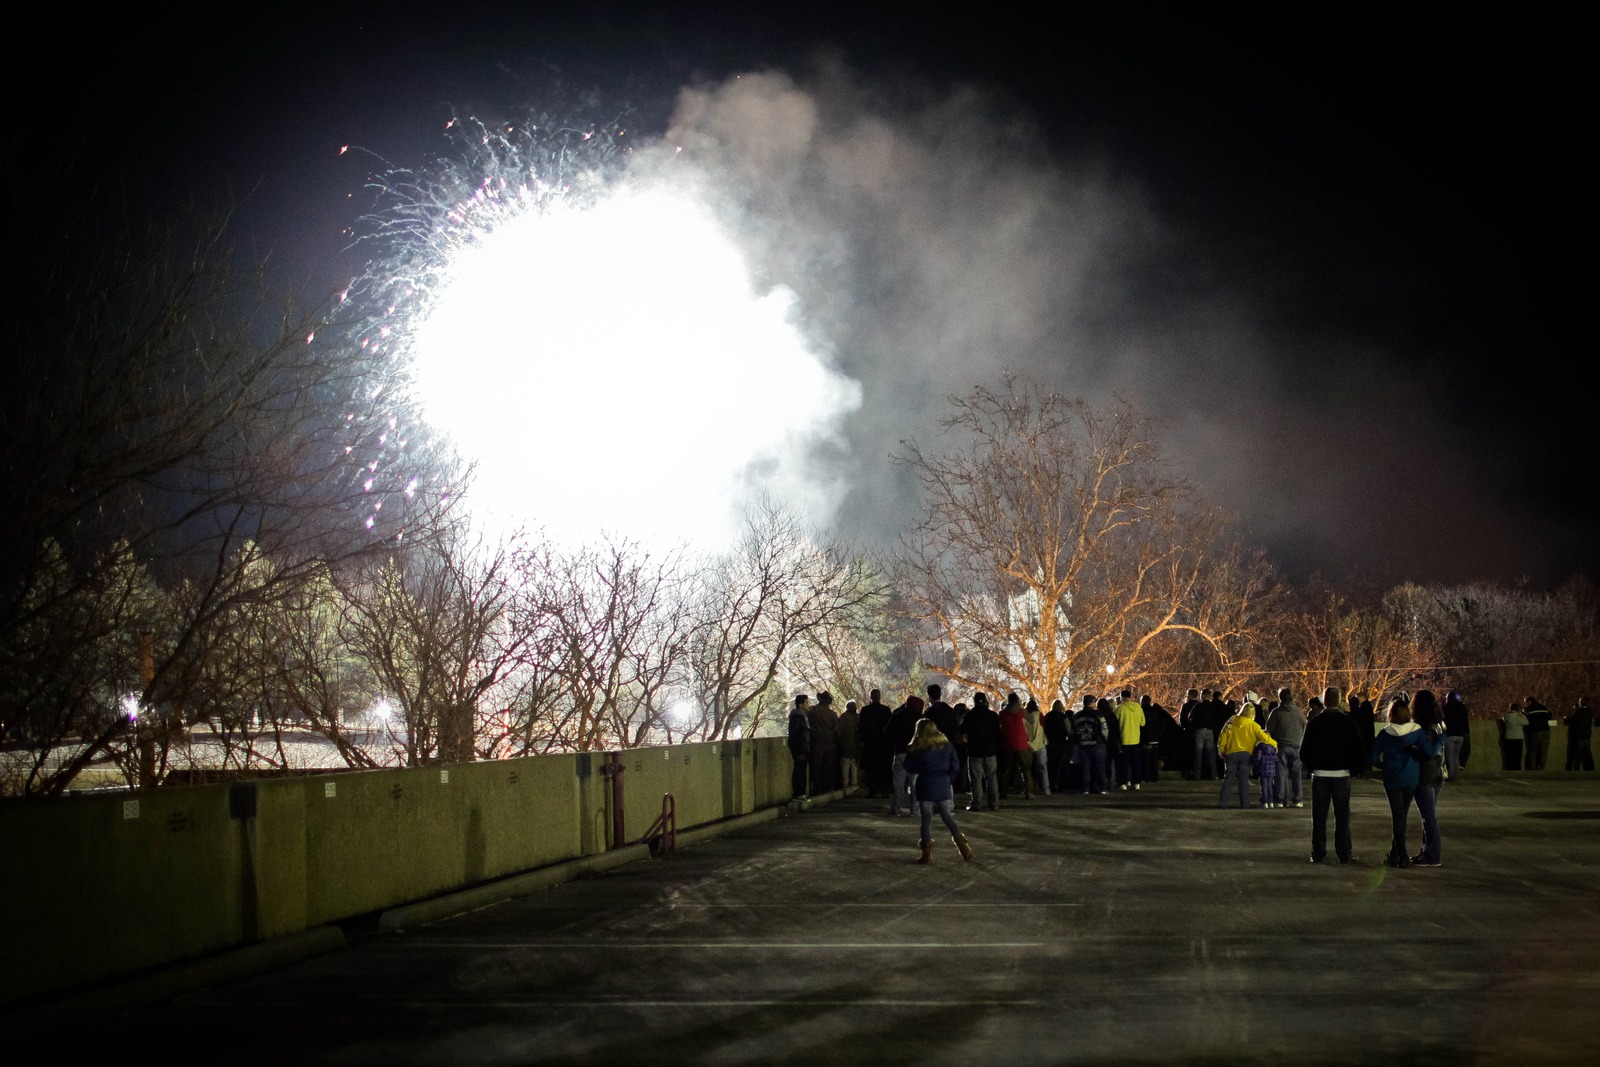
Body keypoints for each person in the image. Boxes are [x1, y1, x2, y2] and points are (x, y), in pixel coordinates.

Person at [1372, 696, 1444, 868]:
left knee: (1398, 817)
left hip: (1392, 780)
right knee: (1406, 815)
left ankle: (1400, 855)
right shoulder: (1417, 731)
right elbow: (1428, 752)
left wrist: (1385, 766)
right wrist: (1441, 740)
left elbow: (1373, 757)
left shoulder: (1384, 733)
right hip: (1411, 779)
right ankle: (1397, 854)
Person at [1301, 686, 1365, 864]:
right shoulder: (1348, 722)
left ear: (1324, 701)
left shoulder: (1315, 722)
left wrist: (1312, 767)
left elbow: (1304, 751)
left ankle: (1318, 852)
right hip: (1341, 774)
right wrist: (1352, 768)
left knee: (1319, 816)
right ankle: (1344, 853)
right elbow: (1359, 750)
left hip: (1320, 774)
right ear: (1339, 700)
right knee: (1342, 816)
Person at [903, 719, 973, 864]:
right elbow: (955, 766)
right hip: (943, 783)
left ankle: (926, 854)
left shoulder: (919, 747)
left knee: (926, 819)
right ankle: (963, 846)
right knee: (947, 816)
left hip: (925, 784)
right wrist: (948, 779)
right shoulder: (947, 745)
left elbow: (909, 767)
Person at [1409, 689, 1446, 866]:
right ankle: (1426, 851)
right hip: (1438, 773)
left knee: (1428, 817)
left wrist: (1411, 750)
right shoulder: (1440, 724)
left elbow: (1427, 752)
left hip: (1425, 775)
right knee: (1429, 815)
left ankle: (1432, 855)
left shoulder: (1422, 727)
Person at [1217, 700, 1275, 809]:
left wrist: (1221, 750)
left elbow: (1223, 737)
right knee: (1243, 780)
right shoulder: (1254, 725)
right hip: (1246, 755)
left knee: (1228, 779)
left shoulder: (1231, 721)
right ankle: (1244, 804)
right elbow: (1265, 738)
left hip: (1230, 753)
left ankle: (1223, 803)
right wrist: (1275, 745)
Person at [1266, 687, 1306, 808]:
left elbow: (1269, 730)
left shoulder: (1277, 712)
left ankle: (1280, 799)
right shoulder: (1299, 711)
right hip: (1296, 747)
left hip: (1281, 746)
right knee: (1296, 774)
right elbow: (1304, 726)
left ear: (1280, 697)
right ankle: (1298, 799)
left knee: (1280, 773)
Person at [886, 694, 925, 817]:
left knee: (898, 782)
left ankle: (896, 808)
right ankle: (915, 810)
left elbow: (887, 733)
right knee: (915, 784)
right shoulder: (922, 719)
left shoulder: (898, 716)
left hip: (901, 752)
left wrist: (896, 744)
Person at [962, 692, 1001, 811]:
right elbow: (998, 733)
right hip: (990, 750)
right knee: (992, 777)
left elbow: (962, 729)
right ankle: (994, 803)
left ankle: (977, 803)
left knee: (976, 778)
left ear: (974, 701)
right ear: (985, 701)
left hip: (975, 751)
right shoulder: (993, 715)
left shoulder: (970, 716)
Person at [858, 689, 892, 798]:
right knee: (883, 768)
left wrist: (864, 740)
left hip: (870, 744)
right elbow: (890, 727)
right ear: (880, 696)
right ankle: (884, 790)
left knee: (871, 769)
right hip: (883, 745)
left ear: (870, 697)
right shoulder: (886, 710)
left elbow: (861, 728)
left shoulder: (865, 710)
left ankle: (872, 790)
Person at [999, 692, 1032, 799]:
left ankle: (1003, 792)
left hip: (1007, 743)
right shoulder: (1023, 712)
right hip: (1022, 743)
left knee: (1006, 770)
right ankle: (1029, 792)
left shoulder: (1002, 713)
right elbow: (1031, 721)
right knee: (1026, 770)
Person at [1072, 696, 1109, 794]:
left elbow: (1073, 731)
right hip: (1098, 744)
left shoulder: (1077, 715)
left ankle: (1085, 788)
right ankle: (1102, 788)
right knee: (1100, 767)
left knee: (1085, 768)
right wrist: (1105, 741)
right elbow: (1104, 729)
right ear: (1092, 703)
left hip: (1083, 745)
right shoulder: (1098, 715)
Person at [1112, 689, 1145, 790]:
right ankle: (1136, 783)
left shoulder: (1119, 709)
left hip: (1123, 739)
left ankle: (1123, 783)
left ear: (1122, 697)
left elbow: (1114, 723)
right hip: (1136, 739)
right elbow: (1143, 723)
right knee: (1135, 763)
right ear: (1131, 697)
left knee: (1122, 763)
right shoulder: (1138, 708)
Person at [1140, 693, 1170, 784]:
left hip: (1146, 739)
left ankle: (1146, 777)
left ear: (1143, 702)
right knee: (1154, 759)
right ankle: (1155, 776)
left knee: (1146, 760)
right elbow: (1163, 724)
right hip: (1156, 739)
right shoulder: (1157, 712)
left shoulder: (1142, 712)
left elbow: (1141, 726)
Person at [787, 694, 811, 800]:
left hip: (799, 747)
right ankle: (799, 793)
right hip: (800, 747)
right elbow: (800, 733)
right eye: (806, 703)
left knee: (800, 769)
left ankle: (800, 792)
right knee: (800, 770)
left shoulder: (798, 716)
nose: (808, 705)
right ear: (801, 705)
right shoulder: (799, 717)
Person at [1044, 698, 1072, 792]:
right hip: (1061, 743)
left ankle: (1050, 784)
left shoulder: (1047, 716)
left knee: (1051, 764)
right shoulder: (1063, 717)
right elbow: (1068, 730)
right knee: (1060, 764)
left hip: (1050, 743)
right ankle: (1058, 784)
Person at [1024, 698, 1051, 795]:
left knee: (1026, 768)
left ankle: (1028, 789)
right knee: (1043, 767)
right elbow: (1045, 725)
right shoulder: (1039, 715)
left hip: (1027, 745)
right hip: (1040, 743)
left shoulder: (1024, 717)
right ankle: (1046, 788)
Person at [1442, 691, 1470, 780]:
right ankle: (1457, 775)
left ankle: (1451, 776)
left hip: (1450, 734)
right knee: (1456, 756)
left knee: (1449, 757)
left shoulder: (1446, 708)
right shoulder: (1462, 707)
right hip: (1460, 735)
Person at [1565, 697, 1594, 771]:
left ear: (1581, 703)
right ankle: (1589, 770)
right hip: (1587, 736)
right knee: (1587, 755)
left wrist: (1566, 718)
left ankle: (1576, 770)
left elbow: (1571, 720)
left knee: (1577, 755)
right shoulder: (1590, 712)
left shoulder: (1578, 712)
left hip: (1579, 737)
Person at [1523, 696, 1553, 770]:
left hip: (1535, 732)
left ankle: (1533, 770)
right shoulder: (1544, 707)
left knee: (1533, 752)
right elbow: (1550, 717)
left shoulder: (1527, 710)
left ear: (1529, 701)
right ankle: (1541, 769)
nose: (1526, 704)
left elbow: (1524, 721)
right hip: (1546, 731)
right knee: (1543, 752)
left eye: (1526, 702)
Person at [837, 700, 861, 791]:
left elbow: (838, 733)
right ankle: (854, 784)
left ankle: (845, 784)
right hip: (855, 746)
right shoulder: (858, 718)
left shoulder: (842, 718)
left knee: (845, 766)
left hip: (844, 746)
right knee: (854, 766)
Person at [1500, 700, 1528, 771]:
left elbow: (1503, 718)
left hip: (1508, 737)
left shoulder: (1506, 716)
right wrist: (1521, 714)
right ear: (1518, 709)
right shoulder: (1519, 717)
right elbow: (1526, 722)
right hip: (1518, 738)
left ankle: (1508, 769)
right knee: (1517, 755)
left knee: (1509, 755)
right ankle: (1517, 769)